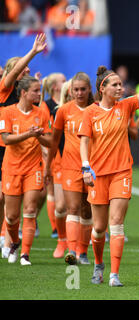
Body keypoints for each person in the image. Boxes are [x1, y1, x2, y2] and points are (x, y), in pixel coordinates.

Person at [78, 41, 139, 287]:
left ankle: (114, 274)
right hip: (98, 175)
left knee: (116, 224)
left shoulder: (127, 105)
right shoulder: (90, 112)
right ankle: (99, 264)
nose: (121, 88)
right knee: (98, 229)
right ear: (103, 88)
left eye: (121, 84)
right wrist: (86, 167)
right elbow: (84, 143)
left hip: (122, 173)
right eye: (116, 85)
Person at [0, 32, 47, 258]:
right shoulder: (5, 87)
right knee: (4, 200)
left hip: (22, 153)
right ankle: (5, 236)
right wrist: (33, 51)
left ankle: (12, 243)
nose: (26, 70)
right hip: (4, 147)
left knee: (23, 205)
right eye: (23, 69)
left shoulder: (25, 96)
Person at [44, 72, 95, 265]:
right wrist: (48, 166)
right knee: (72, 207)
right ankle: (72, 250)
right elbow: (55, 141)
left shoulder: (96, 110)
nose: (79, 93)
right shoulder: (64, 111)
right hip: (70, 166)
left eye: (83, 89)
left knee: (87, 210)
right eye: (76, 89)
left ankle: (83, 251)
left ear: (89, 89)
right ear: (70, 90)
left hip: (92, 168)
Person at [40, 72, 67, 254]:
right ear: (56, 87)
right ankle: (55, 229)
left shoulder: (66, 106)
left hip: (68, 155)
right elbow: (46, 132)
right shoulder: (48, 106)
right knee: (50, 192)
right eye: (64, 81)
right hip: (53, 155)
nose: (67, 83)